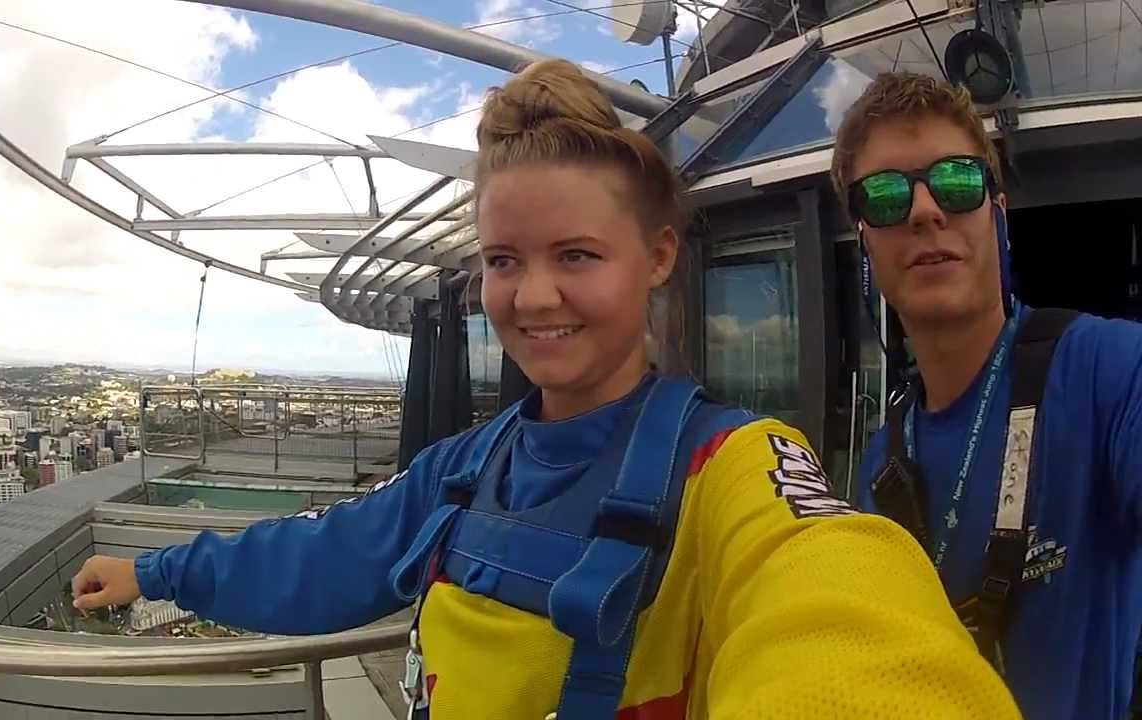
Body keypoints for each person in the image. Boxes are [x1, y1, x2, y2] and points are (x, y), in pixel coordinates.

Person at [73, 60, 1019, 719]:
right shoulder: (467, 470)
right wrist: (156, 571)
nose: (532, 297)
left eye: (576, 256)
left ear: (655, 258)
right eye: (502, 260)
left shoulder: (730, 468)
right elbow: (324, 558)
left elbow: (837, 598)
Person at [835, 71, 1142, 720]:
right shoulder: (882, 460)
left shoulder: (1109, 372)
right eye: (887, 196)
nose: (925, 211)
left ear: (996, 216)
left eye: (956, 181)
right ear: (865, 241)